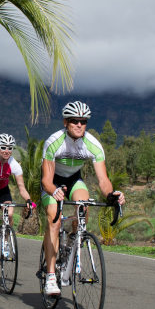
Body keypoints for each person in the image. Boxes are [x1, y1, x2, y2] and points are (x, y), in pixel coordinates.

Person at [40, 101, 125, 295]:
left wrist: (112, 195)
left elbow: (103, 180)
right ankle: (51, 276)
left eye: (83, 121)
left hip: (74, 179)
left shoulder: (93, 144)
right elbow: (46, 180)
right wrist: (54, 191)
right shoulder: (54, 142)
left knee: (83, 208)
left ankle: (71, 243)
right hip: (52, 182)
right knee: (53, 217)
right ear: (65, 122)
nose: (79, 125)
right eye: (74, 121)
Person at [0, 134, 32, 273]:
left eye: (9, 148)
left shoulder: (14, 163)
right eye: (3, 147)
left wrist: (28, 200)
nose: (6, 151)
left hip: (3, 191)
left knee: (9, 214)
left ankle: (6, 242)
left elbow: (22, 188)